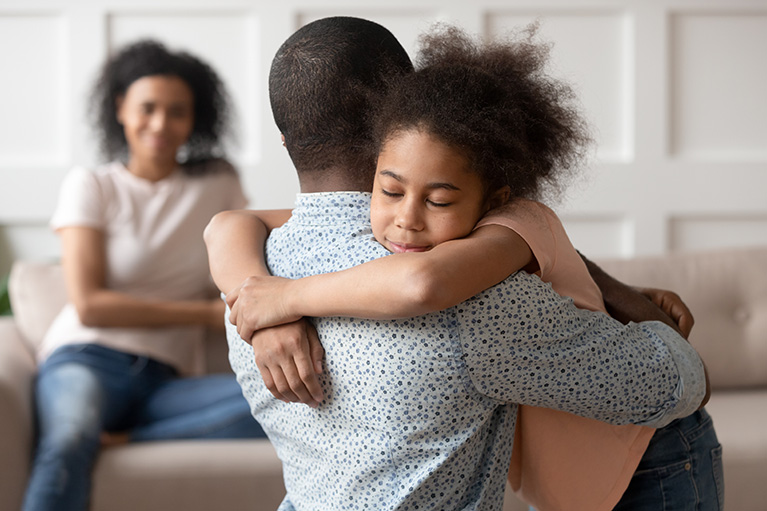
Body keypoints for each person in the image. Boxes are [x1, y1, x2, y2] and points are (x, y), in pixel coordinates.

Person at [213, 24, 722, 511]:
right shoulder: (470, 298)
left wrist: (278, 298)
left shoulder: (250, 283)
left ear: (284, 140)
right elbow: (674, 381)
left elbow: (228, 224)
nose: (410, 216)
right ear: (392, 121)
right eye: (394, 191)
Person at [22, 40, 267, 511]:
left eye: (177, 111)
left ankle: (128, 438)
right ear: (120, 108)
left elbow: (245, 259)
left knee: (285, 398)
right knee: (70, 437)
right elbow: (91, 304)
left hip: (167, 380)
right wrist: (202, 313)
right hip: (86, 358)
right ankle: (104, 436)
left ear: (195, 118)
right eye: (147, 108)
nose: (160, 124)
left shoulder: (218, 180)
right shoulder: (92, 184)